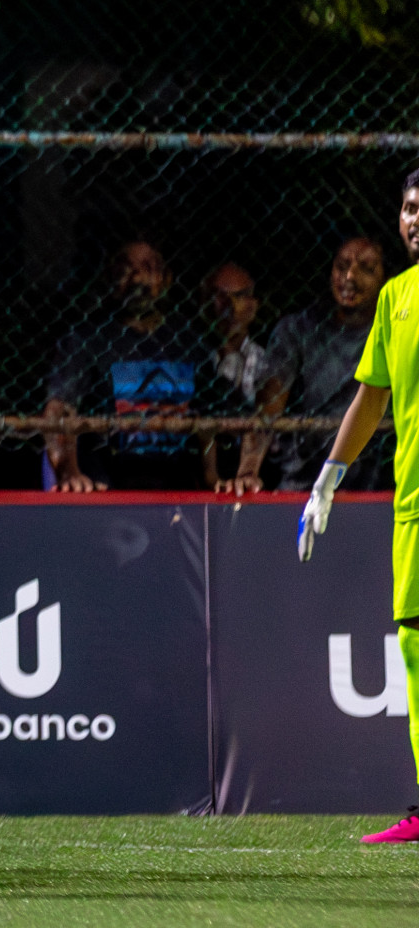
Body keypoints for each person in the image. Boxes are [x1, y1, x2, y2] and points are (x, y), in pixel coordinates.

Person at [297, 167, 419, 845]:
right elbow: (372, 397)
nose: (413, 218)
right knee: (415, 650)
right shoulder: (397, 298)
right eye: (407, 207)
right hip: (414, 509)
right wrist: (327, 481)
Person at [43, 241, 226, 491]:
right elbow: (59, 408)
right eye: (125, 270)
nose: (137, 278)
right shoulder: (87, 339)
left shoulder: (188, 341)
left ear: (165, 279)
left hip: (174, 481)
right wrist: (69, 471)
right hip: (107, 480)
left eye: (148, 268)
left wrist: (211, 476)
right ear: (111, 280)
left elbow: (209, 412)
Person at [226, 238, 388, 495]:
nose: (349, 276)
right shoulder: (298, 330)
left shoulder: (394, 330)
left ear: (386, 279)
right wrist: (248, 471)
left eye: (366, 269)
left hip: (373, 484)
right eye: (341, 266)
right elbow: (268, 409)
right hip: (305, 482)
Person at [199, 261, 265, 488]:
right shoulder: (195, 358)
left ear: (253, 305)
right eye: (219, 296)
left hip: (253, 464)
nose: (228, 306)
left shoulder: (267, 361)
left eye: (238, 296)